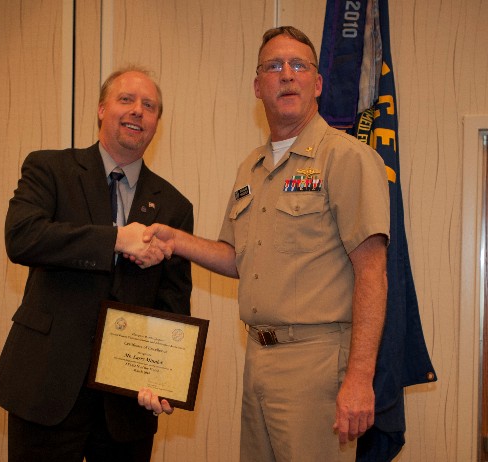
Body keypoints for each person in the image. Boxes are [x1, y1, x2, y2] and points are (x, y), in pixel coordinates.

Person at [142, 26, 390, 462]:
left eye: (299, 65)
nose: (287, 75)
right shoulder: (251, 168)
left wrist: (360, 377)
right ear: (258, 86)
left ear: (317, 83)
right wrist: (175, 239)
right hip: (258, 355)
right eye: (274, 66)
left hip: (317, 363)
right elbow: (237, 258)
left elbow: (372, 270)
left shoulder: (346, 157)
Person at [0, 66, 193, 462]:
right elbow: (23, 237)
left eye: (149, 106)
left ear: (156, 123)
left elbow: (173, 301)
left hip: (127, 403)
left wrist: (163, 377)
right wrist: (117, 239)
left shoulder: (174, 205)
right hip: (46, 386)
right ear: (101, 109)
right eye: (126, 99)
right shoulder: (50, 169)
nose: (137, 111)